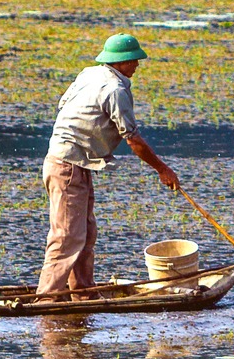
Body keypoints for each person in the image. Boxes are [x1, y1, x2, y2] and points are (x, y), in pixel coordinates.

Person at [37, 33, 180, 295]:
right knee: (66, 236)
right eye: (134, 60)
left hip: (77, 162)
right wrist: (163, 169)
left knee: (86, 233)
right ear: (121, 61)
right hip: (67, 165)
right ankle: (48, 298)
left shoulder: (89, 73)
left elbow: (64, 105)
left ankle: (81, 292)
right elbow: (133, 139)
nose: (137, 64)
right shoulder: (114, 90)